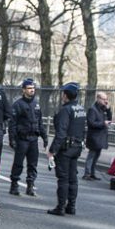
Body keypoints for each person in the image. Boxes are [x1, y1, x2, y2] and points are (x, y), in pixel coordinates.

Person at [46, 82, 86, 215]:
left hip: (66, 149)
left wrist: (52, 150)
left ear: (65, 95)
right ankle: (71, 206)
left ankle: (60, 207)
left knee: (63, 178)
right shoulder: (80, 109)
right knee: (73, 178)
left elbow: (61, 133)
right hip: (76, 147)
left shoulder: (66, 110)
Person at [6, 78, 47, 196]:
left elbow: (40, 122)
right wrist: (12, 139)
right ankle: (14, 185)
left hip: (33, 139)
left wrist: (44, 137)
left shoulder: (36, 104)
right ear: (23, 90)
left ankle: (30, 185)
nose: (32, 90)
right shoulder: (18, 105)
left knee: (33, 164)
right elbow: (12, 123)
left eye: (33, 88)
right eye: (29, 88)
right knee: (18, 163)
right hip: (22, 139)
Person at [83, 91, 112, 180]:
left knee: (96, 156)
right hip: (94, 136)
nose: (105, 101)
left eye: (106, 99)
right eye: (104, 99)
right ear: (98, 99)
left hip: (100, 136)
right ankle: (87, 173)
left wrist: (108, 109)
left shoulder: (103, 109)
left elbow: (109, 118)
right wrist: (103, 123)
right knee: (91, 155)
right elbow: (91, 123)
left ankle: (92, 173)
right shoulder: (93, 109)